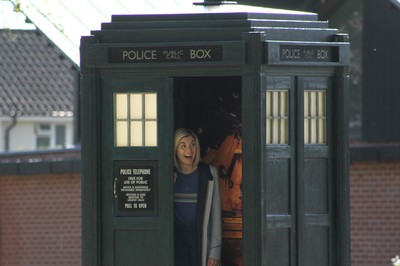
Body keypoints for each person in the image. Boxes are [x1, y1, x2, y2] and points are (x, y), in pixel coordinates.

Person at [173, 128, 222, 266]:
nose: (189, 150)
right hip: (176, 239)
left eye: (192, 144)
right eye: (183, 146)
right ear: (175, 149)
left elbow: (216, 215)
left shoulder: (209, 173)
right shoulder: (168, 174)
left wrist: (214, 252)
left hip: (200, 238)